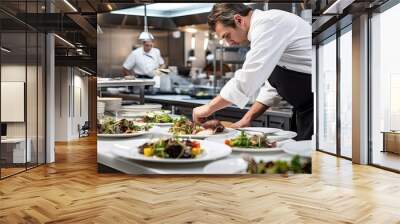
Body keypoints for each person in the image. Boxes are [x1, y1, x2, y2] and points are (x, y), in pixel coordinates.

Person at [192, 4, 313, 140]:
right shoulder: (264, 28)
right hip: (306, 111)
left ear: (239, 20)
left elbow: (247, 79)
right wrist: (247, 119)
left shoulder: (268, 23)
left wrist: (208, 108)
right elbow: (272, 87)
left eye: (227, 36)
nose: (228, 43)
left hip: (319, 106)